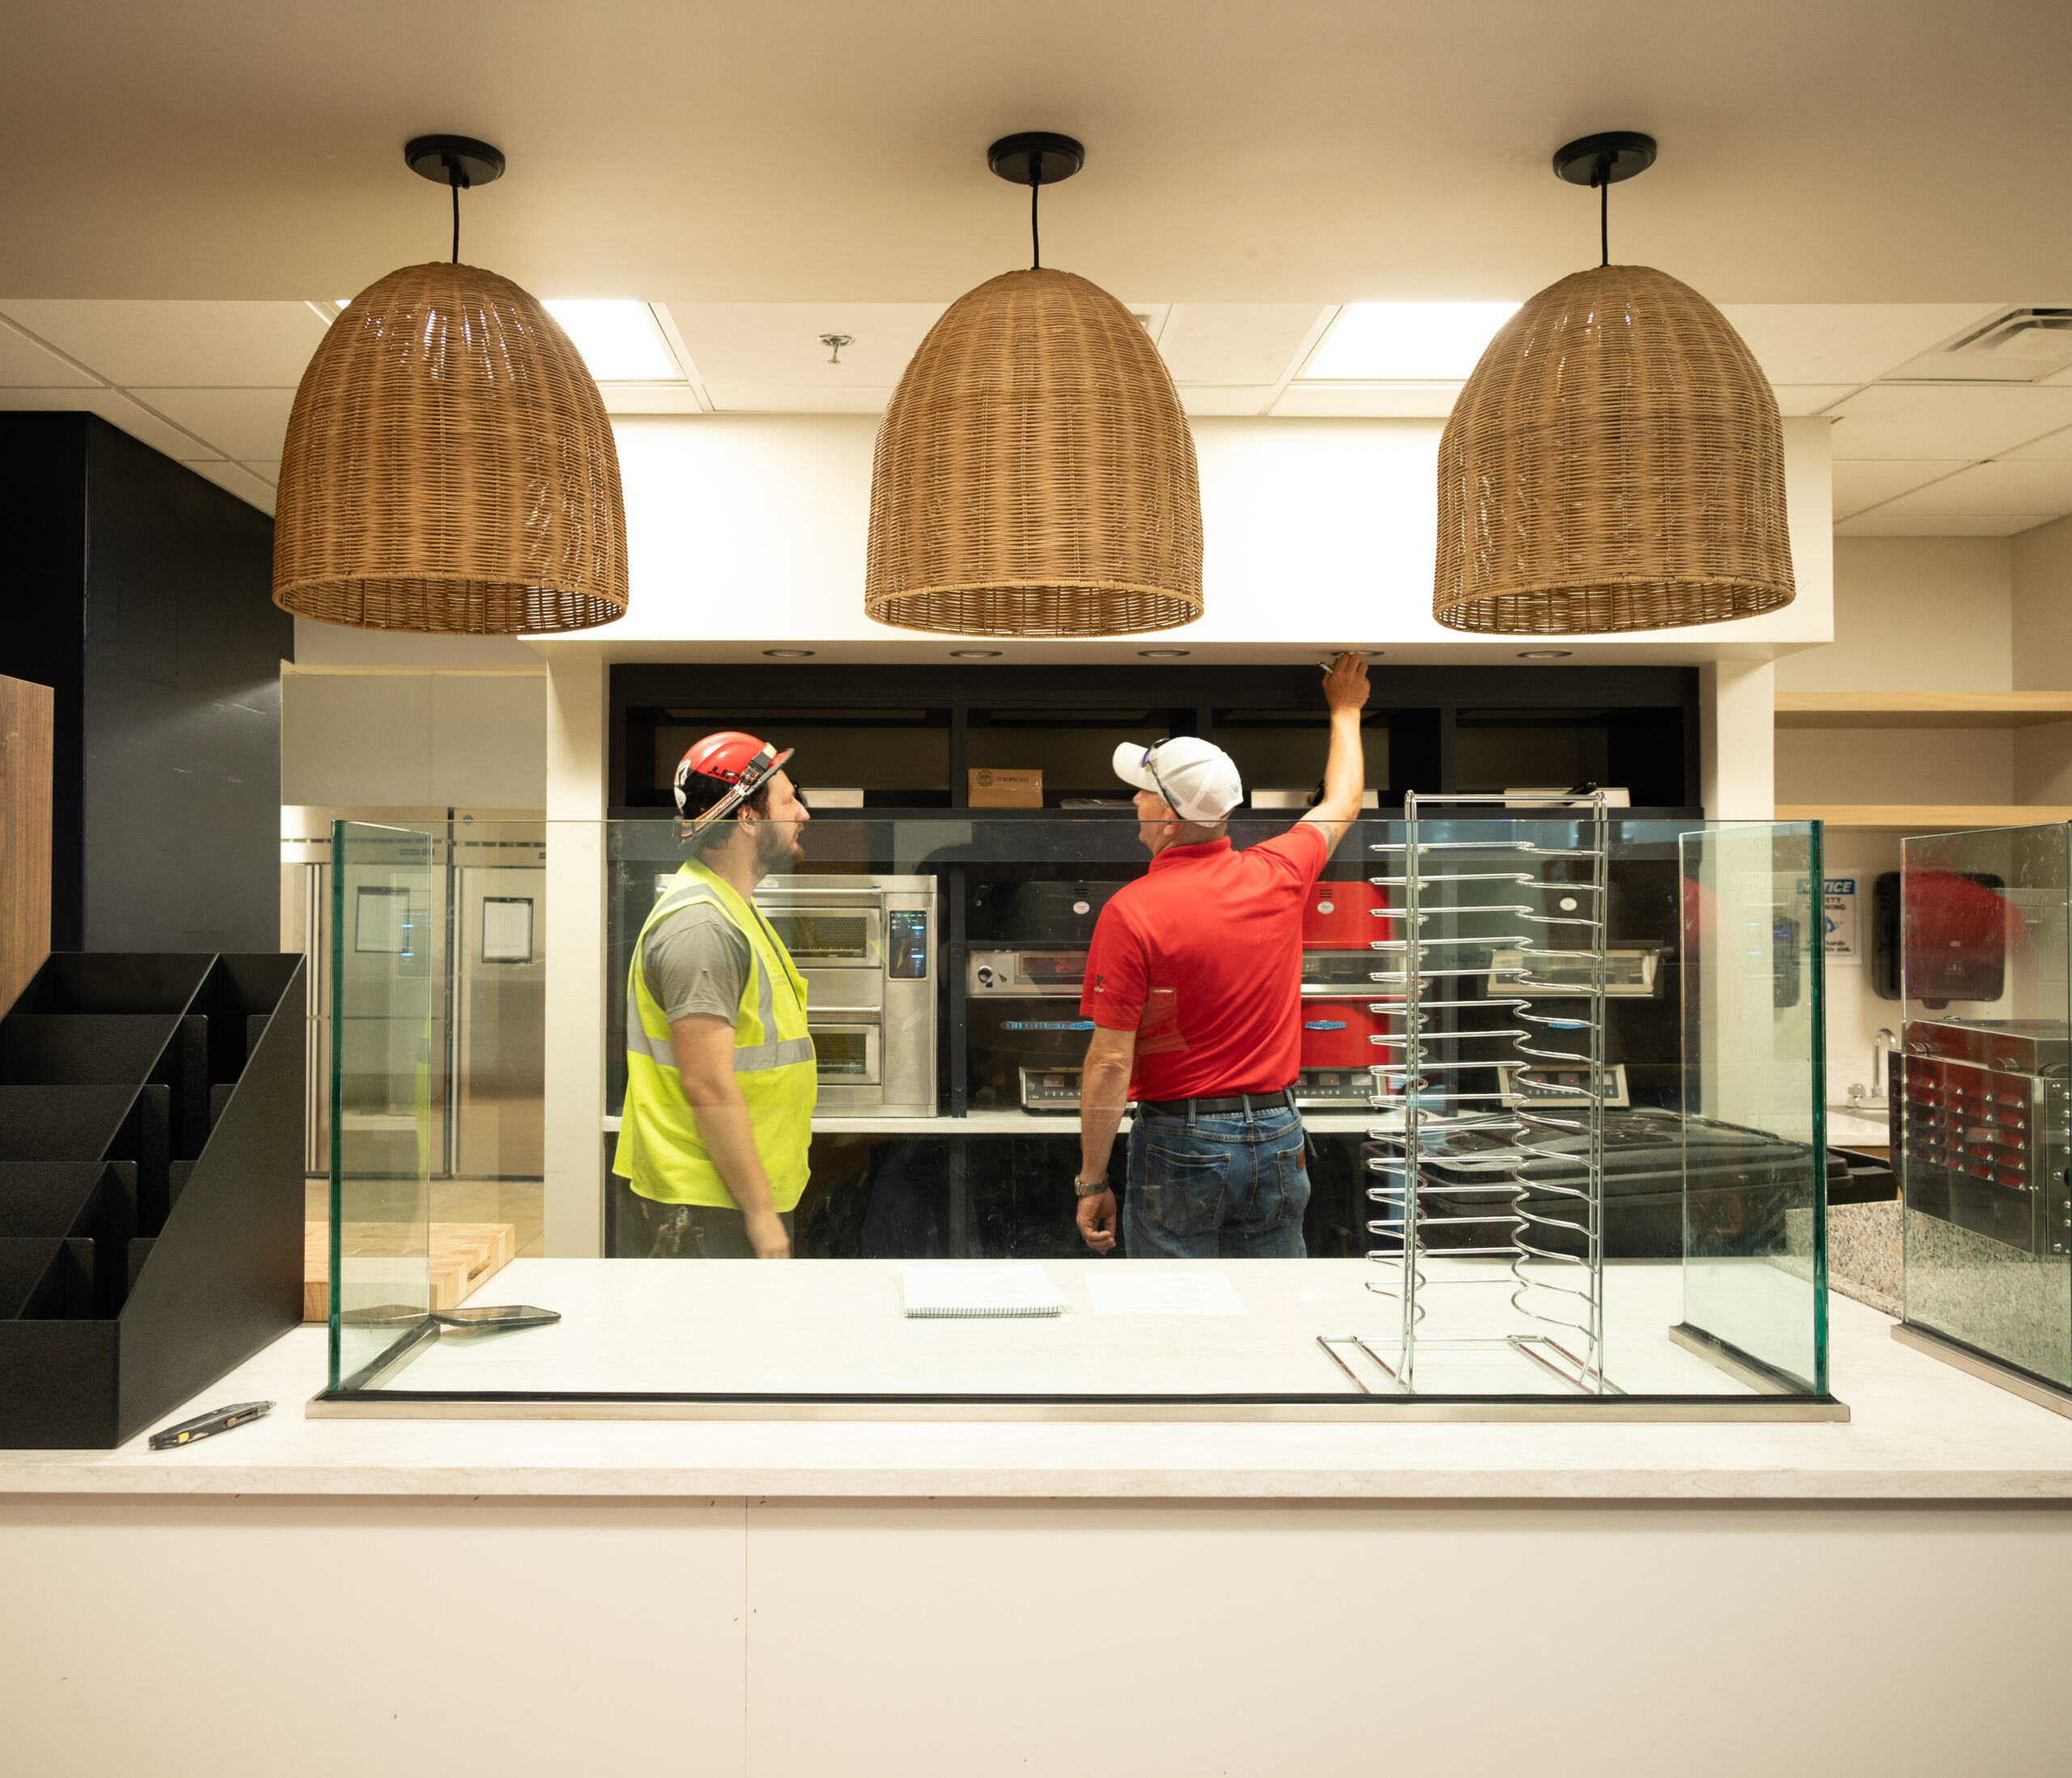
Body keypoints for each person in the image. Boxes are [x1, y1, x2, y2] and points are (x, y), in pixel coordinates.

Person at [1072, 652, 1371, 1258]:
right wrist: (1346, 710)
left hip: (1181, 1139)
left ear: (1171, 817)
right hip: (1280, 1132)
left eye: (1143, 792)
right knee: (1273, 1315)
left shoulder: (1132, 910)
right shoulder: (1279, 871)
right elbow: (1343, 800)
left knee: (1174, 1322)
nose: (1134, 801)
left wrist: (1092, 1179)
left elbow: (1108, 1062)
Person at [613, 731, 815, 1259]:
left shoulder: (731, 909)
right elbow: (707, 1084)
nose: (802, 814)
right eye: (789, 799)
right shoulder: (701, 925)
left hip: (727, 1195)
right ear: (747, 816)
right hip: (707, 1206)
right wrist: (761, 1214)